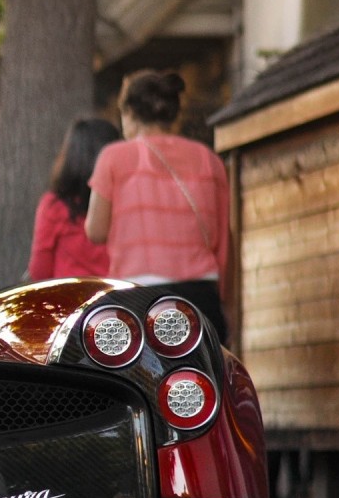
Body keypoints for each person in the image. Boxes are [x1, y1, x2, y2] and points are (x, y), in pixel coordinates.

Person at [85, 70, 231, 344]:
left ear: (128, 113)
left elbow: (95, 229)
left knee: (141, 382)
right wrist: (227, 303)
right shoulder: (209, 160)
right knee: (198, 380)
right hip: (201, 295)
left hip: (138, 294)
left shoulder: (114, 157)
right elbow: (224, 241)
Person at [26, 117, 121, 281]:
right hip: (118, 301)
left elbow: (40, 271)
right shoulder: (124, 205)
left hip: (69, 301)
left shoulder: (54, 206)